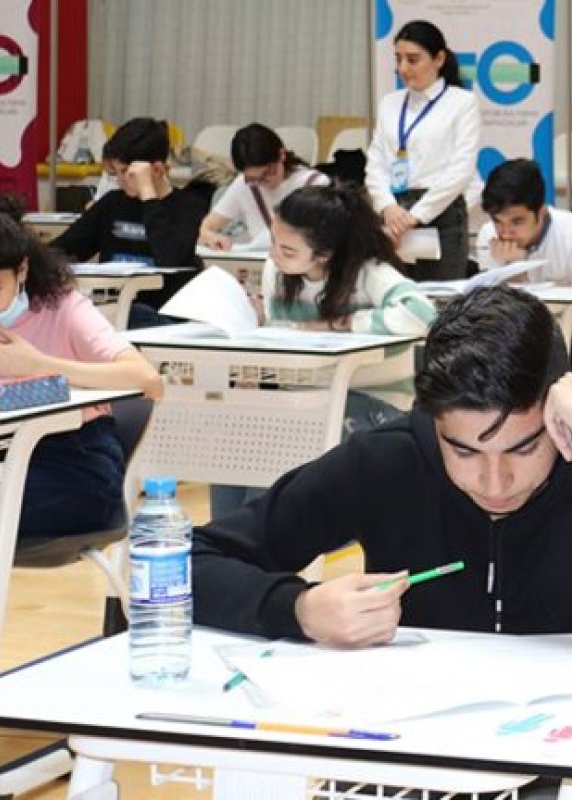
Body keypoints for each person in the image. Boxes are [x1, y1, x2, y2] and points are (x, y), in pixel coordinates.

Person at [192, 285, 572, 799]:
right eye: (464, 452)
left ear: (559, 414)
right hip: (402, 762)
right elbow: (191, 563)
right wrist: (299, 608)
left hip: (565, 772)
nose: (495, 483)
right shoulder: (386, 460)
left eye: (523, 449)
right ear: (433, 419)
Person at [0, 195, 159, 783]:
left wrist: (42, 363)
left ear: (21, 269)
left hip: (76, 470)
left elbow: (147, 380)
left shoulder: (60, 306)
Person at [209, 184, 438, 518]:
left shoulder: (369, 273)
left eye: (288, 250)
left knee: (275, 451)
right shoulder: (279, 273)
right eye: (273, 242)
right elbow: (282, 334)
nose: (274, 255)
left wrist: (342, 323)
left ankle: (267, 536)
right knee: (229, 443)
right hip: (302, 395)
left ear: (324, 255)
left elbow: (423, 315)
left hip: (371, 401)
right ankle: (227, 535)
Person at [476, 158, 572, 380]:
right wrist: (515, 273)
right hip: (522, 338)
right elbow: (489, 316)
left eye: (517, 222)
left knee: (522, 363)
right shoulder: (489, 236)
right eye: (498, 221)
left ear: (541, 213)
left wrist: (518, 279)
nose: (505, 233)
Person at [51, 117, 210, 326]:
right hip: (113, 311)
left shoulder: (189, 206)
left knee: (135, 313)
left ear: (156, 170)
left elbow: (170, 257)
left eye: (127, 172)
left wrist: (148, 195)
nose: (119, 180)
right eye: (115, 173)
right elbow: (65, 249)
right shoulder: (112, 204)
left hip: (164, 317)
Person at [365, 20, 480, 281]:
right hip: (394, 214)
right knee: (395, 293)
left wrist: (417, 215)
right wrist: (387, 206)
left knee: (442, 298)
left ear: (439, 59)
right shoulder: (390, 103)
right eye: (398, 59)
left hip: (440, 212)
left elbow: (461, 170)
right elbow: (376, 162)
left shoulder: (462, 103)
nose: (403, 68)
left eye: (413, 59)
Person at [198, 123, 329, 251]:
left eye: (268, 173)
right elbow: (206, 228)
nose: (264, 182)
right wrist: (212, 238)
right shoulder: (243, 185)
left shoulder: (315, 183)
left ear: (282, 154)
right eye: (253, 179)